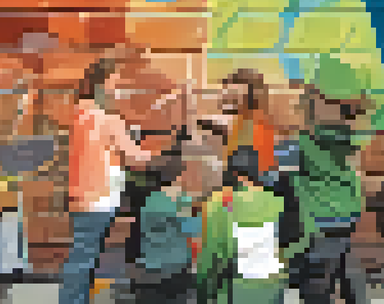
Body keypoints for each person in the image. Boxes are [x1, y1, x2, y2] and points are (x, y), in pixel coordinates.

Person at [61, 58, 156, 304]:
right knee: (84, 258)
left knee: (82, 255)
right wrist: (162, 153)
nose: (118, 90)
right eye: (116, 83)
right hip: (100, 198)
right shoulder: (108, 120)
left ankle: (76, 299)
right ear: (102, 84)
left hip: (80, 195)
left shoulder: (78, 115)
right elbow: (137, 158)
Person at [283, 69, 368, 304]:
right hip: (346, 214)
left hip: (319, 217)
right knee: (344, 268)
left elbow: (275, 174)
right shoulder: (348, 139)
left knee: (317, 282)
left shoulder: (299, 145)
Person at [200, 147, 288, 304]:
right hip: (272, 286)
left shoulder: (218, 202)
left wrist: (205, 292)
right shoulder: (276, 201)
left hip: (234, 289)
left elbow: (213, 255)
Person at [132, 149, 200, 304]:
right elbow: (193, 231)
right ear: (180, 176)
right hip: (175, 272)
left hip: (148, 271)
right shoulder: (181, 201)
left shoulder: (149, 200)